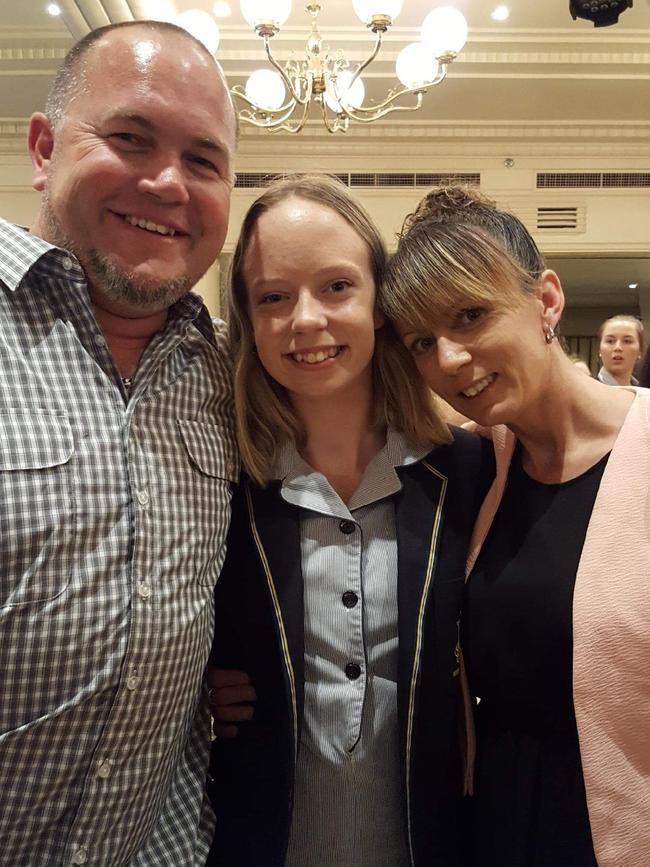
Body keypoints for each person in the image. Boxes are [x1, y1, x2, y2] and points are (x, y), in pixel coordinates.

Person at [0, 21, 238, 865]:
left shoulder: (228, 381)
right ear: (43, 147)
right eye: (130, 138)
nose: (169, 183)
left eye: (204, 160)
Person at [206, 175, 493, 867]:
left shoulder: (469, 469)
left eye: (336, 286)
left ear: (380, 304)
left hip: (436, 842)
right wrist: (191, 692)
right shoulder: (219, 478)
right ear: (248, 317)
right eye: (274, 296)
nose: (305, 319)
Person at [382, 186, 650, 867]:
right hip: (493, 826)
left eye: (471, 315)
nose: (447, 359)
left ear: (547, 302)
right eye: (421, 341)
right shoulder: (475, 467)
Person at [597, 314, 644, 385]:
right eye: (610, 341)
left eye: (627, 341)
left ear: (640, 351)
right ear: (600, 350)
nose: (617, 347)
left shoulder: (645, 393)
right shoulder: (584, 392)